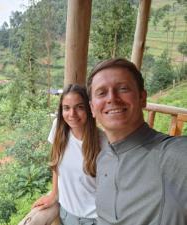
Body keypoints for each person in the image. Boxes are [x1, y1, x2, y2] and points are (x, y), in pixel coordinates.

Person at [87, 58, 187, 225]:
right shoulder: (103, 158)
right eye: (101, 93)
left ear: (142, 98)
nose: (112, 98)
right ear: (92, 108)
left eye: (123, 89)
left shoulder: (171, 155)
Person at [18, 84, 101, 225]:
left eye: (79, 107)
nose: (72, 114)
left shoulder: (103, 142)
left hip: (95, 218)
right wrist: (53, 194)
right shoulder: (58, 128)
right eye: (66, 108)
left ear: (89, 109)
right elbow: (56, 163)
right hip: (66, 215)